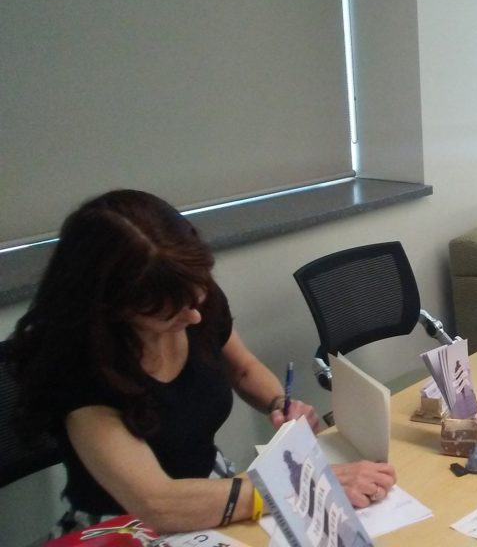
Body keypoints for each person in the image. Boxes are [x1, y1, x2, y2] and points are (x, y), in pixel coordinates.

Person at [6, 190, 396, 535]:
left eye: (195, 300)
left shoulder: (191, 299)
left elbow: (241, 368)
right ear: (112, 307)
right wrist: (303, 484)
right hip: (126, 524)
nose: (193, 319)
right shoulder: (79, 370)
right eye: (169, 314)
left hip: (219, 489)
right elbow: (158, 503)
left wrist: (279, 404)